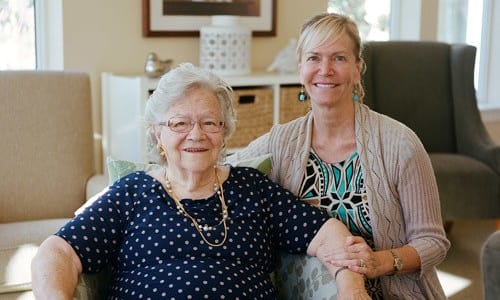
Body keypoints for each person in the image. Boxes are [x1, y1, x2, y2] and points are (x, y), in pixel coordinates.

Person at [31, 63, 370, 299]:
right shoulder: (133, 192)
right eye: (179, 123)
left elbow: (327, 233)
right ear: (157, 134)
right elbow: (57, 252)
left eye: (210, 123)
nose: (197, 134)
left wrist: (351, 286)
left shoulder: (252, 188)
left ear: (224, 133)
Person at [227, 12, 451, 299]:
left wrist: (379, 262)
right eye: (314, 58)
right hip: (308, 290)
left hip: (391, 290)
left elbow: (433, 242)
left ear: (358, 69)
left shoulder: (399, 144)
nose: (325, 69)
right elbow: (224, 169)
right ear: (300, 68)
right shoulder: (281, 142)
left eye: (339, 58)